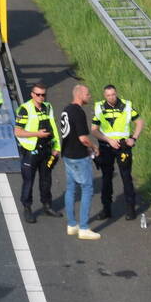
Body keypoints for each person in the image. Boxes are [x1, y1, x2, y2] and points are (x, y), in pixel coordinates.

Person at [91, 85, 145, 220]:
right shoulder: (99, 107)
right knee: (106, 178)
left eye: (113, 94)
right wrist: (108, 140)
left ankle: (131, 209)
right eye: (108, 95)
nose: (111, 97)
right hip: (106, 146)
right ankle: (106, 209)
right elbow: (94, 130)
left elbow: (139, 122)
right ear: (105, 96)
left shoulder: (126, 106)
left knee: (126, 177)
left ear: (116, 93)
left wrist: (134, 138)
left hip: (123, 146)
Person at [59, 85, 101, 240]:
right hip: (78, 156)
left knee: (70, 189)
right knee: (87, 189)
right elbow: (83, 138)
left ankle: (71, 224)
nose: (90, 96)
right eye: (88, 94)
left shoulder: (66, 110)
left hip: (67, 154)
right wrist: (93, 146)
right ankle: (84, 227)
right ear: (80, 95)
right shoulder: (78, 112)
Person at [15, 83, 61, 223]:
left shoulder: (48, 107)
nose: (41, 97)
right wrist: (36, 134)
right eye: (38, 94)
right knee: (29, 181)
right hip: (30, 151)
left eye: (43, 94)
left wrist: (57, 147)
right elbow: (17, 132)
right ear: (32, 94)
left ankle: (47, 206)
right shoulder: (24, 109)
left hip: (46, 149)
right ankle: (27, 208)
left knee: (46, 180)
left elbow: (53, 126)